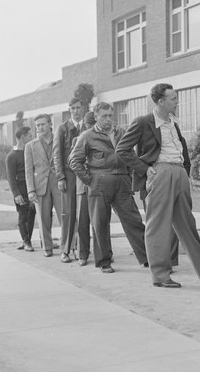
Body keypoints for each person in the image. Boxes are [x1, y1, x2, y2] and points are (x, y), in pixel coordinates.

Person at [115, 83, 200, 287]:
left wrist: (185, 171)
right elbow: (122, 150)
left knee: (187, 223)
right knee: (158, 226)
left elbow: (181, 147)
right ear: (160, 101)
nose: (177, 101)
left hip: (178, 172)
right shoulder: (143, 122)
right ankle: (160, 276)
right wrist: (145, 170)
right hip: (160, 172)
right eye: (173, 98)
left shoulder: (173, 122)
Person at [69, 102, 149, 274]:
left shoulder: (121, 133)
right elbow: (74, 161)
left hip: (122, 182)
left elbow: (131, 156)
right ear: (96, 117)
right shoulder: (87, 136)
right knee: (100, 223)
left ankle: (147, 258)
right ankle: (104, 261)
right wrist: (89, 180)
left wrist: (128, 177)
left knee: (133, 220)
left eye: (110, 115)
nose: (108, 119)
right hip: (99, 182)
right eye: (103, 116)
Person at [24, 113, 62, 257]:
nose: (40, 127)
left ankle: (68, 247)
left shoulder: (59, 140)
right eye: (37, 125)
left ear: (50, 124)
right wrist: (30, 190)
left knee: (64, 216)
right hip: (40, 187)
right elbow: (28, 171)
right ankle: (48, 248)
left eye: (43, 124)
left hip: (59, 184)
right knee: (43, 219)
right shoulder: (30, 146)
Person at [53, 97, 86, 263]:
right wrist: (61, 177)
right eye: (73, 108)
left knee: (83, 214)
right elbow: (57, 154)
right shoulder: (62, 128)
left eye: (78, 107)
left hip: (86, 176)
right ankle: (65, 250)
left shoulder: (89, 127)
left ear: (83, 108)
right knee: (68, 214)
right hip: (69, 175)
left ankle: (81, 250)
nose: (76, 111)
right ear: (69, 110)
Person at [5, 126, 36, 252]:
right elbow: (11, 178)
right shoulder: (11, 156)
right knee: (23, 216)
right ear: (22, 137)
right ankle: (26, 241)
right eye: (29, 136)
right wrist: (16, 194)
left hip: (32, 187)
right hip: (20, 188)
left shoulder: (30, 151)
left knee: (32, 214)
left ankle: (27, 240)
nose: (32, 138)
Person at [71, 110, 96, 266]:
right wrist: (87, 179)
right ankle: (83, 254)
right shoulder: (78, 140)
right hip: (83, 186)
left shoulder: (106, 138)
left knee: (100, 221)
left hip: (99, 186)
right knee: (82, 222)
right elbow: (73, 162)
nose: (92, 128)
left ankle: (105, 253)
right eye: (90, 125)